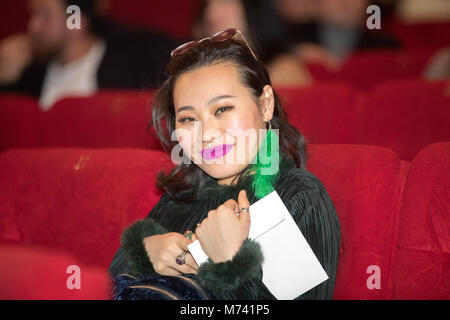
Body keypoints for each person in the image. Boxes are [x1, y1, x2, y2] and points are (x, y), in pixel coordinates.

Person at [109, 28, 341, 300]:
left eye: (222, 109)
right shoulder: (180, 198)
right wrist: (144, 254)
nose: (206, 133)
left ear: (265, 105)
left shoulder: (298, 197)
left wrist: (230, 262)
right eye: (187, 119)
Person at [0, 0, 177, 109]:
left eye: (45, 15)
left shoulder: (129, 60)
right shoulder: (30, 73)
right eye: (33, 14)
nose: (33, 26)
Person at [192, 0, 312, 87]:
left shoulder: (285, 64)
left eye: (225, 2)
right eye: (208, 5)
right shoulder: (198, 68)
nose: (212, 13)